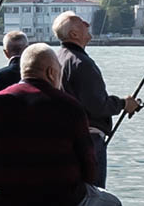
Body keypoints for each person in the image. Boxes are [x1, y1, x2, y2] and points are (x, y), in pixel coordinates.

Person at [0, 43, 120, 206]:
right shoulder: (69, 106)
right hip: (62, 197)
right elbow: (88, 164)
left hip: (7, 197)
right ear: (51, 73)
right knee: (112, 202)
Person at [53, 11, 139, 187]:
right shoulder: (81, 63)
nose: (87, 24)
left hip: (63, 138)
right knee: (93, 193)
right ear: (74, 34)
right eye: (81, 22)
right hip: (88, 139)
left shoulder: (56, 59)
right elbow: (97, 105)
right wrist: (124, 104)